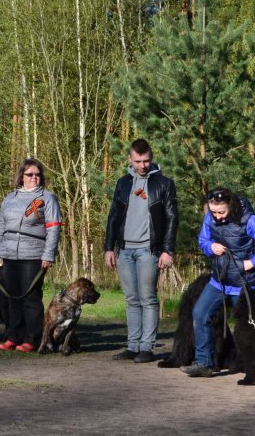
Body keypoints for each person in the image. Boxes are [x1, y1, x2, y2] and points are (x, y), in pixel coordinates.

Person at [180, 187, 255, 377]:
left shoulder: (251, 221)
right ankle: (204, 363)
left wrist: (251, 262)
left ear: (231, 206)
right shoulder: (210, 218)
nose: (217, 216)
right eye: (213, 212)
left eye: (221, 212)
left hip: (244, 284)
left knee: (252, 326)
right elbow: (203, 240)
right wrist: (211, 246)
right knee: (200, 314)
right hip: (218, 281)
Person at [104, 138, 178, 362]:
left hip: (149, 250)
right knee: (131, 299)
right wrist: (109, 247)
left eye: (146, 160)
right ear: (129, 158)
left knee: (148, 298)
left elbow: (172, 218)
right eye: (138, 161)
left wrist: (168, 251)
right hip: (125, 250)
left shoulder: (164, 184)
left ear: (151, 158)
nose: (142, 165)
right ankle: (133, 346)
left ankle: (147, 347)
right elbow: (113, 217)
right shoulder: (122, 183)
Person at [0, 158, 62, 352]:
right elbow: (0, 226)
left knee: (30, 297)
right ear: (22, 177)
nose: (34, 178)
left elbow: (54, 229)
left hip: (34, 253)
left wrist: (49, 255)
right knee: (12, 297)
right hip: (10, 253)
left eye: (37, 175)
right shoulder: (9, 198)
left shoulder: (48, 198)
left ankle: (32, 338)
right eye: (30, 174)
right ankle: (12, 336)